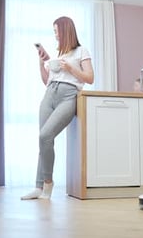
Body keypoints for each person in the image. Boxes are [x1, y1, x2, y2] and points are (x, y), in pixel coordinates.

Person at [21, 16, 94, 200]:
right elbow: (47, 81)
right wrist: (41, 63)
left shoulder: (81, 51)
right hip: (49, 96)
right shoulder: (59, 55)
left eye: (57, 32)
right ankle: (38, 187)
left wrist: (70, 69)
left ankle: (48, 183)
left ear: (66, 30)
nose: (55, 36)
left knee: (45, 135)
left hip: (68, 97)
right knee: (43, 140)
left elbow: (90, 78)